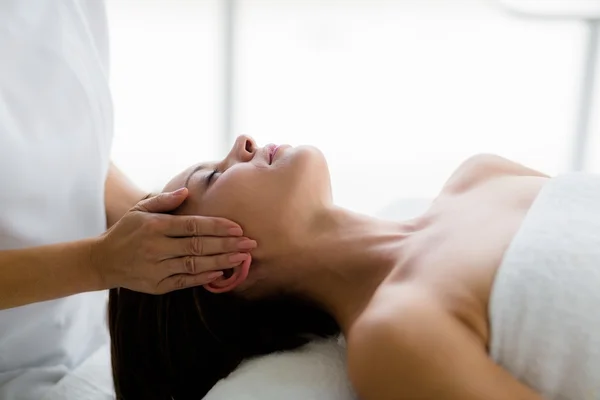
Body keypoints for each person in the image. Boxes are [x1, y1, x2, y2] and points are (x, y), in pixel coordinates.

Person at [110, 134, 600, 399]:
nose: (242, 142)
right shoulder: (397, 335)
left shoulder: (482, 174)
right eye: (212, 177)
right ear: (220, 268)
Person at [0, 2, 256, 399]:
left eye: (211, 176)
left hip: (77, 347)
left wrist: (159, 224)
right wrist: (96, 262)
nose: (245, 144)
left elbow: (63, 152)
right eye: (211, 175)